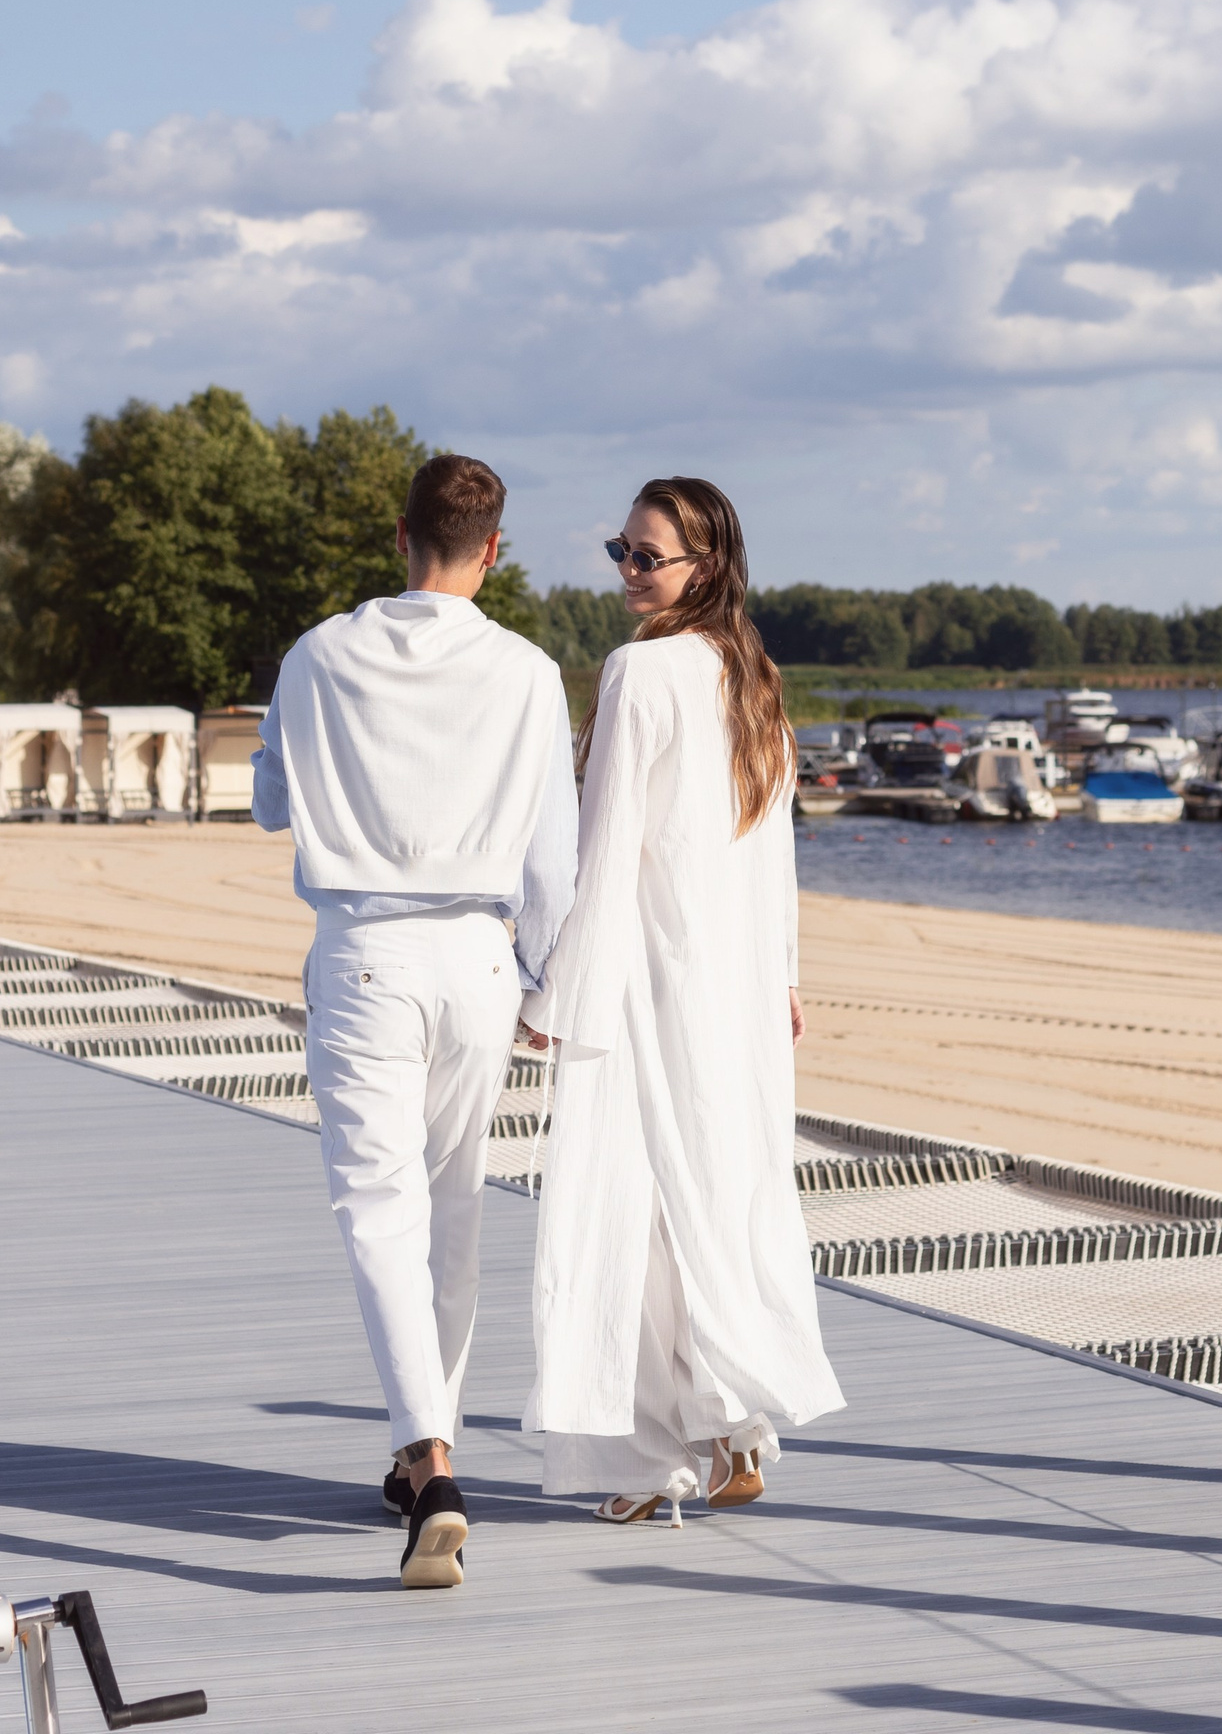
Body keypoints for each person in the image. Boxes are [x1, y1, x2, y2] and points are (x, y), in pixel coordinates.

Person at [251, 452, 578, 1590]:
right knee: (453, 1209)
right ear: (493, 549)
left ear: (402, 536)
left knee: (378, 1210)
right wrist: (542, 982)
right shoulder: (529, 672)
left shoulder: (317, 654)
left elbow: (271, 803)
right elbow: (553, 858)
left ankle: (429, 1460)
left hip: (365, 952)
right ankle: (423, 1456)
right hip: (478, 956)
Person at [522, 474, 843, 1520]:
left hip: (651, 978)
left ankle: (648, 1459)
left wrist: (558, 992)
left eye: (646, 556)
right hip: (735, 987)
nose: (627, 570)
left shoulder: (641, 670)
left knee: (624, 1210)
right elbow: (773, 848)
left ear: (705, 567)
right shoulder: (753, 675)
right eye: (620, 549)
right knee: (713, 1198)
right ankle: (730, 1427)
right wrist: (783, 972)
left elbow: (606, 845)